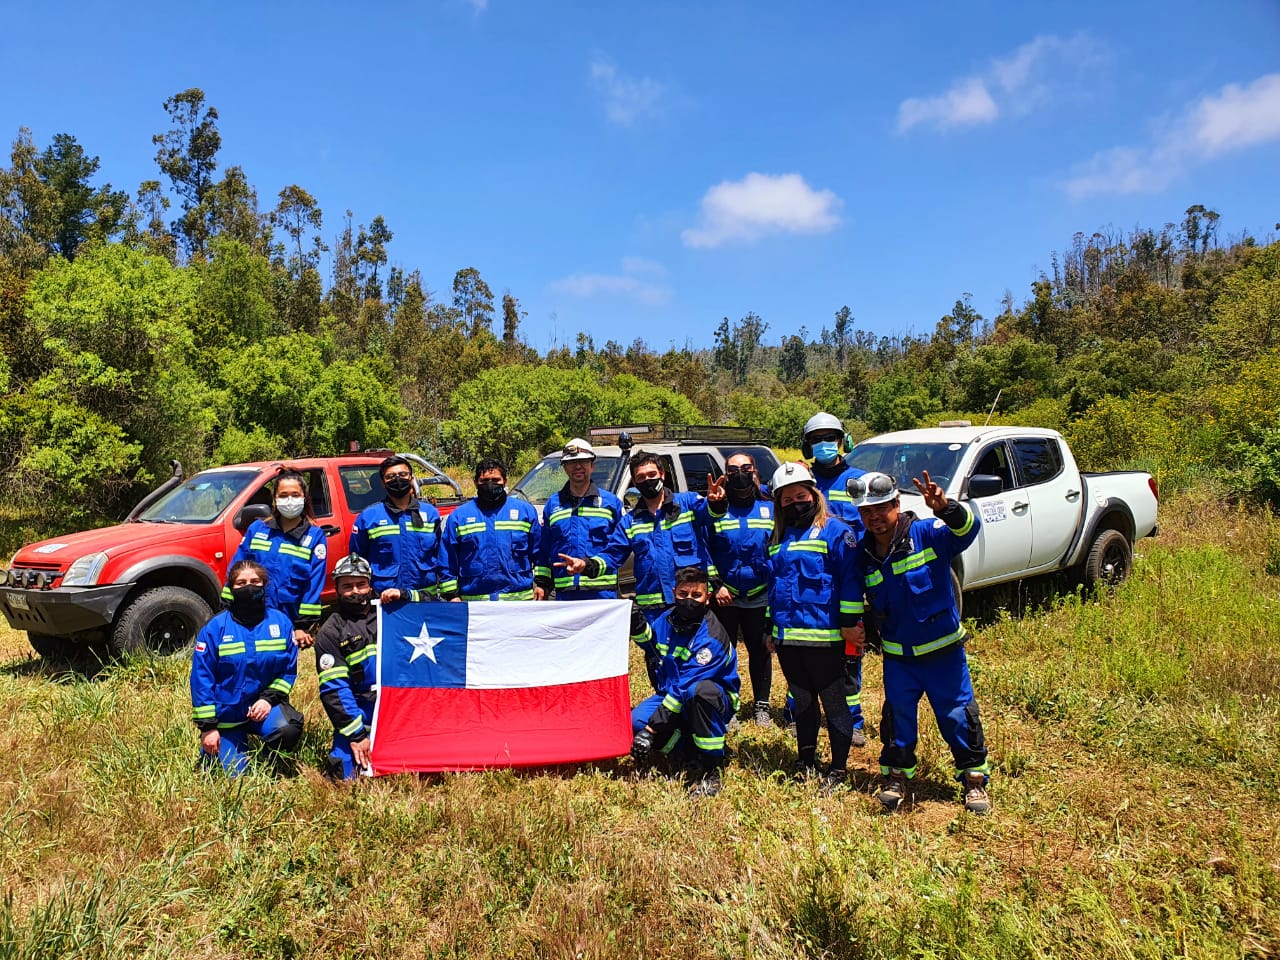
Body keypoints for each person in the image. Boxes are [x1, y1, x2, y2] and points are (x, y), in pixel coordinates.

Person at [850, 470, 991, 815]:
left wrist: (946, 508)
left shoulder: (928, 533)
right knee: (897, 720)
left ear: (897, 504)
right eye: (866, 512)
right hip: (899, 659)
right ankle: (896, 778)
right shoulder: (863, 554)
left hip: (943, 654)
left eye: (880, 509)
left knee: (958, 716)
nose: (874, 518)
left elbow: (968, 530)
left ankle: (973, 781)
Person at [765, 461, 863, 790]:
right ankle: (805, 761)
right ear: (779, 503)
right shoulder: (779, 536)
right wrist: (770, 628)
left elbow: (850, 581)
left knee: (834, 703)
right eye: (786, 499)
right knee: (803, 704)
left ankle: (837, 770)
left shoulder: (837, 531)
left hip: (828, 638)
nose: (795, 503)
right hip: (789, 638)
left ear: (813, 494)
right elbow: (775, 585)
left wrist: (850, 624)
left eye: (800, 495)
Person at [629, 566, 741, 797]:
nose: (689, 600)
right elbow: (652, 646)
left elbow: (683, 689)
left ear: (707, 598)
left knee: (699, 692)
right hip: (671, 693)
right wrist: (637, 626)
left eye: (696, 595)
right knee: (636, 721)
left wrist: (652, 730)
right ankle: (686, 754)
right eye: (683, 594)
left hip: (711, 699)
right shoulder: (667, 619)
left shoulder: (712, 637)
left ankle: (712, 767)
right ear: (674, 593)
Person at [796, 411, 869, 745]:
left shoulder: (859, 481)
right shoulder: (802, 481)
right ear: (807, 445)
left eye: (830, 438)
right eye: (816, 439)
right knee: (803, 646)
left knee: (850, 649)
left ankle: (852, 719)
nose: (824, 445)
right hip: (808, 582)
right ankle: (797, 708)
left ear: (843, 441)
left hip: (848, 579)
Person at [191, 560, 303, 776]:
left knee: (287, 727)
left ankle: (271, 758)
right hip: (227, 718)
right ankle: (225, 745)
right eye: (241, 583)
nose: (249, 587)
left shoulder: (281, 624)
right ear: (231, 589)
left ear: (264, 585)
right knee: (232, 777)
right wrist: (208, 728)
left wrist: (268, 699)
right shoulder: (215, 628)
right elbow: (201, 679)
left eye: (255, 581)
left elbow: (288, 671)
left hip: (263, 710)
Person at [697, 452, 776, 727]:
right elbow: (702, 547)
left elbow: (779, 547)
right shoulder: (716, 506)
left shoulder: (771, 505)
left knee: (761, 650)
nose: (739, 473)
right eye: (733, 470)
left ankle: (762, 707)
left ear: (755, 471)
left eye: (746, 468)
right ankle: (727, 706)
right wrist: (715, 585)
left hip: (760, 595)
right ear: (725, 474)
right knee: (723, 653)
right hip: (725, 597)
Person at [596, 451, 712, 624]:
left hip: (690, 604)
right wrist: (586, 564)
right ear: (634, 483)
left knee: (697, 650)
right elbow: (612, 555)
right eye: (641, 477)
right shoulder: (630, 522)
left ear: (662, 475)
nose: (647, 481)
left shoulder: (688, 504)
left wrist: (717, 503)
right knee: (656, 651)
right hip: (652, 610)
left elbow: (711, 514)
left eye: (652, 475)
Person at [223, 470, 326, 649]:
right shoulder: (257, 529)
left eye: (295, 495)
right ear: (275, 500)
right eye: (283, 495)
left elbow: (314, 584)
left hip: (288, 618)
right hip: (251, 611)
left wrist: (302, 626)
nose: (289, 500)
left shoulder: (314, 536)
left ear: (304, 497)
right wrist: (228, 604)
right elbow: (237, 568)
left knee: (279, 665)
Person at [313, 553, 378, 780]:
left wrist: (406, 594)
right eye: (347, 586)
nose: (355, 591)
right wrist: (357, 735)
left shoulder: (390, 614)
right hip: (360, 710)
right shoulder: (330, 632)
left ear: (370, 584)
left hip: (397, 706)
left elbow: (433, 606)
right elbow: (335, 689)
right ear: (338, 590)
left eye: (361, 584)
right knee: (344, 775)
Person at [441, 458, 543, 601]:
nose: (490, 484)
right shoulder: (459, 517)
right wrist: (451, 595)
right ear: (476, 482)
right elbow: (447, 558)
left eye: (496, 480)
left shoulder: (525, 512)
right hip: (475, 604)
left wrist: (542, 584)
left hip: (520, 603)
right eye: (485, 481)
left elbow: (540, 553)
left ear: (505, 482)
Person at [535, 438, 625, 600]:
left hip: (602, 595)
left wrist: (589, 566)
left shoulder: (611, 503)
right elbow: (545, 549)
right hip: (565, 597)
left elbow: (619, 548)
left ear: (592, 465)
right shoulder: (553, 505)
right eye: (571, 462)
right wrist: (542, 583)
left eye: (583, 461)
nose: (577, 466)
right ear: (564, 468)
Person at [349, 455, 446, 604]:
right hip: (385, 601)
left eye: (402, 475)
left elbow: (442, 556)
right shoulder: (368, 517)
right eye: (391, 477)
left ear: (411, 478)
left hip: (424, 598)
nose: (397, 479)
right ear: (383, 483)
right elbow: (357, 561)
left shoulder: (431, 513)